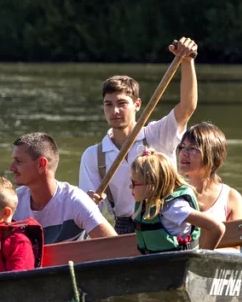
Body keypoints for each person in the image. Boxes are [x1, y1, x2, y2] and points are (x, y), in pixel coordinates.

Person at [79, 37, 199, 234]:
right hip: (124, 228)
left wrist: (187, 61)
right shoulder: (93, 156)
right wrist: (91, 203)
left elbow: (187, 107)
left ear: (137, 105)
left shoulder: (157, 134)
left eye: (122, 104)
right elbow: (89, 213)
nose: (115, 111)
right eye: (108, 105)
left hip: (167, 222)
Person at [9, 132, 116, 243]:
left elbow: (115, 246)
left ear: (41, 164)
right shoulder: (13, 203)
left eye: (18, 161)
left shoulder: (76, 201)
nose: (11, 168)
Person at [129, 149, 224, 253]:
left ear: (151, 185)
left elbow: (217, 227)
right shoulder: (148, 204)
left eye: (134, 183)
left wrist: (203, 259)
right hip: (159, 264)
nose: (130, 186)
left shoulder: (174, 208)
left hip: (180, 265)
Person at [178, 122, 242, 224]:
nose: (183, 153)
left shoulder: (231, 197)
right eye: (182, 147)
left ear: (212, 155)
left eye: (192, 148)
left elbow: (240, 238)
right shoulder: (172, 192)